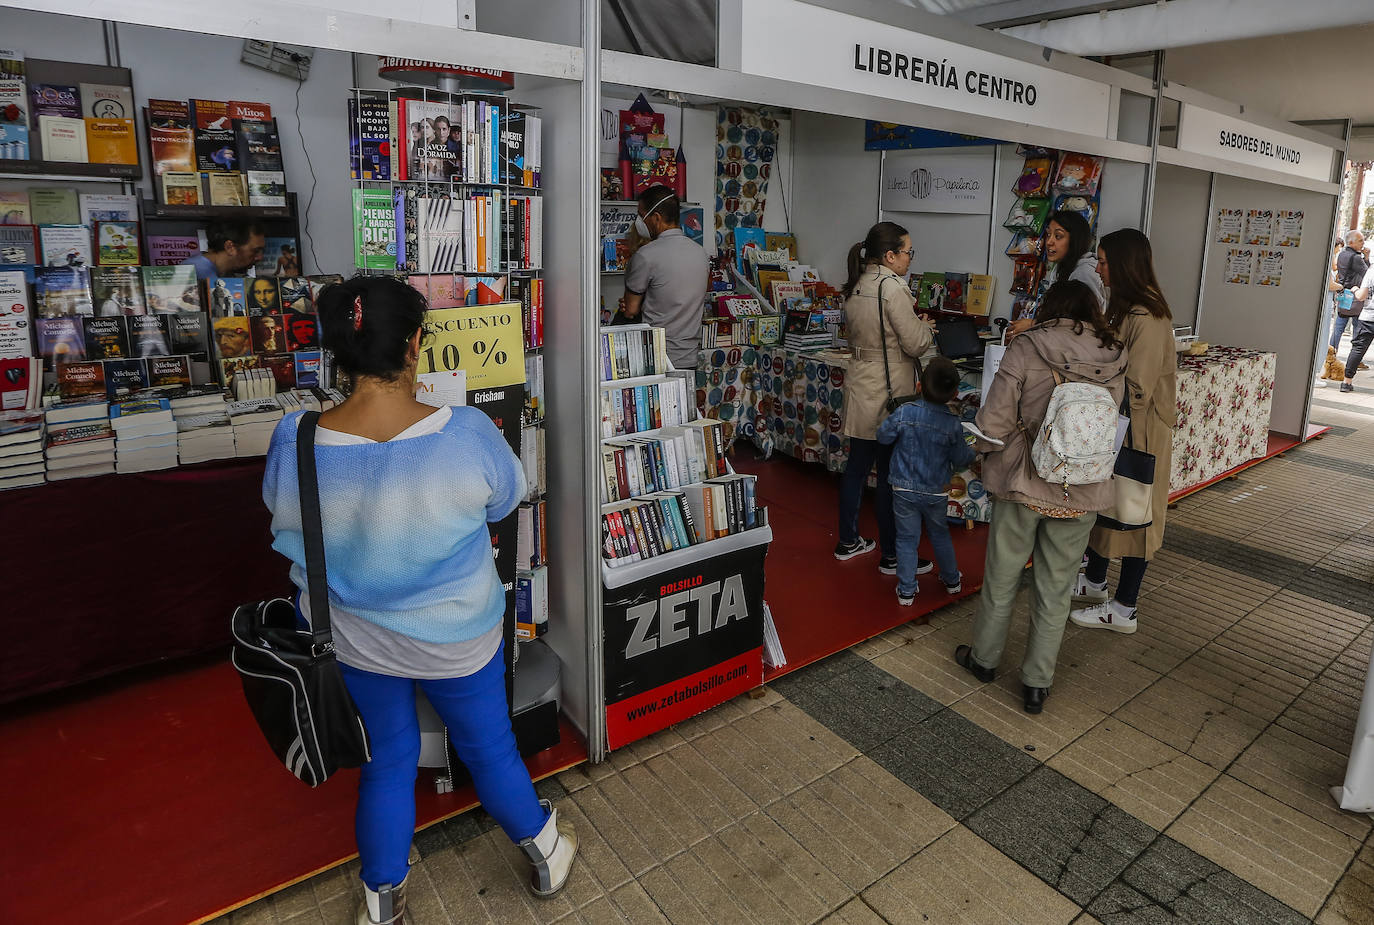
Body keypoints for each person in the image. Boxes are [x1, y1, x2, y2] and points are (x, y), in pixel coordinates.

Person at [261, 276, 578, 925]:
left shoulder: (295, 439)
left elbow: (283, 515)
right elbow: (505, 499)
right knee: (490, 748)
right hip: (459, 634)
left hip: (355, 639)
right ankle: (545, 849)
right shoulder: (465, 432)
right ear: (415, 345)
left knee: (387, 761)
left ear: (336, 352)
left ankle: (381, 900)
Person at [954, 280, 1127, 714]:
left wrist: (980, 450)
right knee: (1056, 588)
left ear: (1051, 309)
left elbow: (993, 421)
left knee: (1002, 577)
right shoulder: (1114, 351)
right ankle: (1036, 683)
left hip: (1024, 482)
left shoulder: (1028, 346)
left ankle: (985, 660)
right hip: (1083, 486)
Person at [1070, 228, 1176, 634]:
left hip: (1139, 432)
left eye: (1104, 261)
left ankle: (1125, 607)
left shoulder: (1147, 317)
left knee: (1137, 515)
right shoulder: (1124, 307)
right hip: (1121, 426)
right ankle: (1096, 583)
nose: (1098, 268)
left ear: (1125, 264)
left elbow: (1137, 385)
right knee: (1107, 508)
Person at [835, 221, 935, 574]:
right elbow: (916, 343)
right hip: (889, 390)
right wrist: (925, 328)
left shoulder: (857, 283)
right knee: (892, 476)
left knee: (857, 468)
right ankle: (892, 555)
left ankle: (847, 540)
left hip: (861, 382)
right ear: (890, 255)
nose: (910, 259)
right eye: (908, 252)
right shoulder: (892, 289)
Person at [876, 356, 973, 605]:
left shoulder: (905, 411)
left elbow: (883, 436)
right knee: (940, 534)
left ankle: (907, 591)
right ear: (955, 393)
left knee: (907, 539)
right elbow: (961, 459)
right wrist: (976, 450)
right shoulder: (952, 423)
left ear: (919, 386)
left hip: (903, 487)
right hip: (936, 490)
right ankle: (952, 580)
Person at [621, 185, 709, 371]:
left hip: (658, 359)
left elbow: (630, 310)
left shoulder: (646, 255)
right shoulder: (701, 253)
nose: (639, 221)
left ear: (656, 218)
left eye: (641, 215)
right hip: (690, 357)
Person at [1006, 210, 1104, 339]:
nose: (1049, 242)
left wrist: (1034, 324)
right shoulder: (1060, 268)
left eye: (1058, 236)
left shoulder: (1084, 272)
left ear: (1075, 240)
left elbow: (1084, 324)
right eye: (1048, 234)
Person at [181, 218, 266, 288]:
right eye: (256, 250)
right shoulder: (197, 271)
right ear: (230, 247)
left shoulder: (203, 267)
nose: (260, 257)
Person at [1341, 260, 1374, 393]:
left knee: (1358, 349)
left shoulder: (1371, 272)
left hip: (1368, 318)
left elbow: (1361, 296)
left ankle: (1346, 382)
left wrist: (1355, 289)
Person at [1333, 230, 1368, 353]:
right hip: (1354, 295)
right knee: (1357, 328)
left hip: (1343, 292)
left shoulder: (1342, 254)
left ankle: (1331, 354)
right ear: (1351, 242)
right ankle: (1356, 357)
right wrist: (1367, 258)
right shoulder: (1356, 257)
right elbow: (1367, 274)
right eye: (1360, 240)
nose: (1363, 243)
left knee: (1339, 327)